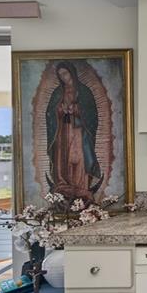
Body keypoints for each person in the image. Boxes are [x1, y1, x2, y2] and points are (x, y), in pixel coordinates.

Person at [45, 62, 102, 201]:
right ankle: (63, 186)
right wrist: (59, 109)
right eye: (60, 75)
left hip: (79, 132)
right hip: (62, 132)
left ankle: (81, 187)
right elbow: (49, 113)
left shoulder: (84, 91)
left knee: (78, 157)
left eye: (65, 73)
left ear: (72, 72)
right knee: (62, 158)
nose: (63, 77)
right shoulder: (58, 93)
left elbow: (92, 113)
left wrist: (77, 110)